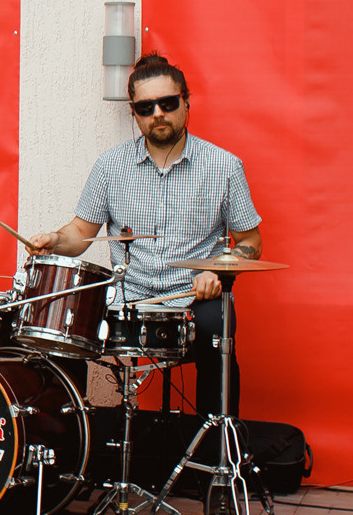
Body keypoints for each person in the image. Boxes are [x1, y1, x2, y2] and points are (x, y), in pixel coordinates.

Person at [27, 54, 263, 415]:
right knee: (63, 327)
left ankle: (213, 453)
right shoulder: (110, 165)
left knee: (219, 329)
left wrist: (218, 272)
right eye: (145, 107)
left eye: (168, 103)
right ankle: (70, 442)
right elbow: (80, 232)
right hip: (126, 296)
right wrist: (55, 242)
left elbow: (250, 242)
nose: (158, 114)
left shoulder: (225, 167)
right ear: (134, 113)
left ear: (186, 101)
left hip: (192, 299)